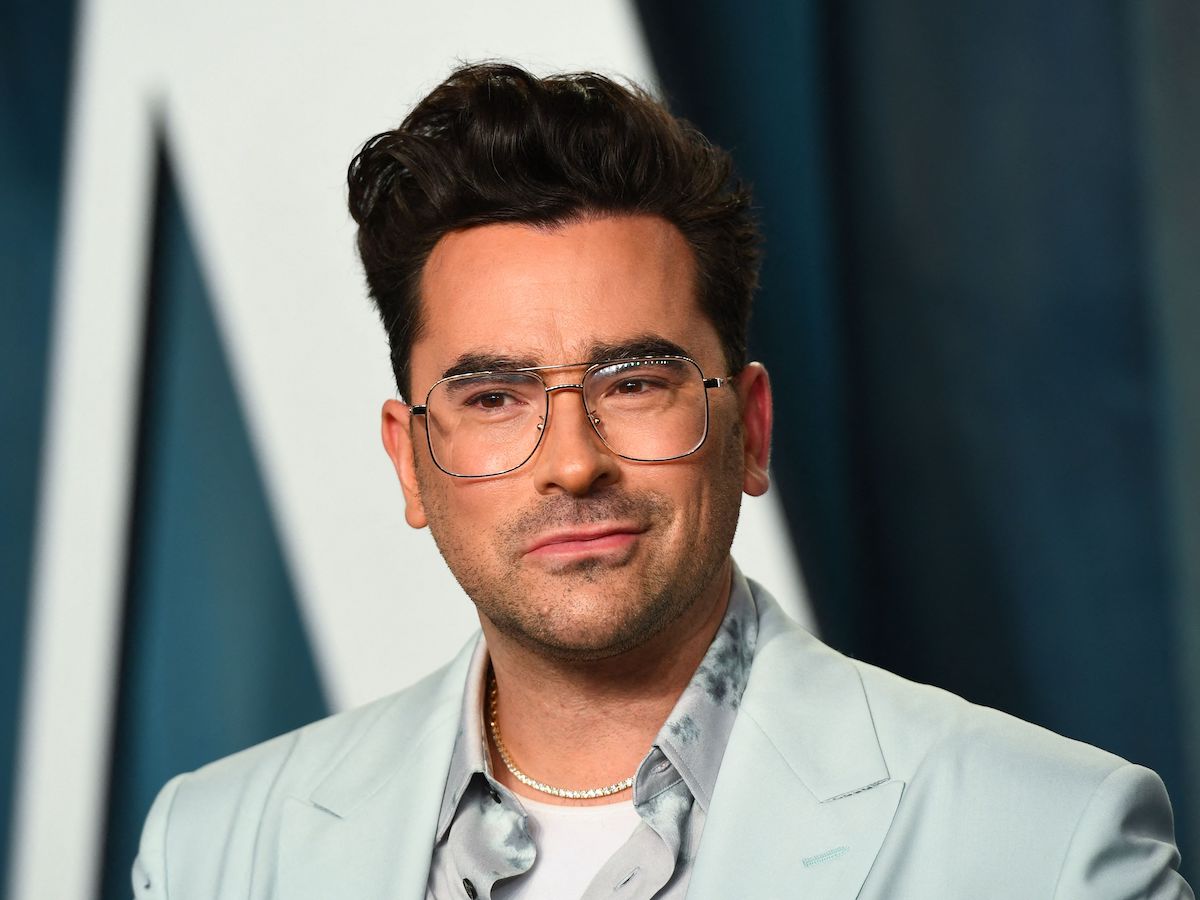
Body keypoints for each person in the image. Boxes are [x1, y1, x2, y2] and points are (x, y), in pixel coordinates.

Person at [132, 62, 1192, 900]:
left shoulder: (1049, 846)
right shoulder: (213, 850)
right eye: (494, 397)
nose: (573, 461)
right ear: (411, 463)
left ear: (752, 429)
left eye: (635, 381)